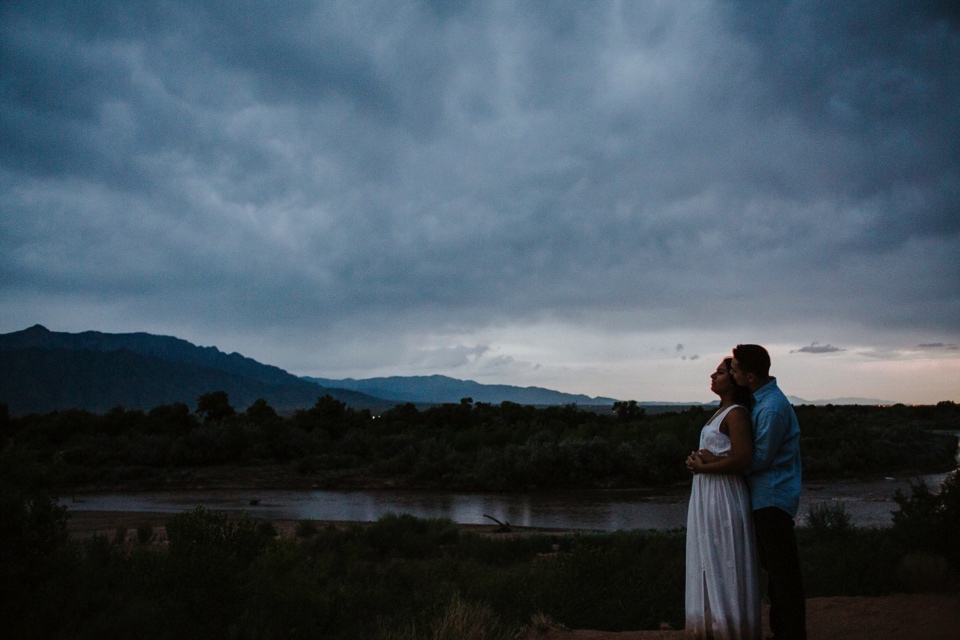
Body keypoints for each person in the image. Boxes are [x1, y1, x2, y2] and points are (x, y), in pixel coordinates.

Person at [730, 344, 807, 640]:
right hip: (766, 497)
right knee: (777, 570)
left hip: (772, 498)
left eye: (735, 369)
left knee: (783, 572)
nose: (733, 373)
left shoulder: (772, 408)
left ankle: (790, 634)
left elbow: (759, 457)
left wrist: (724, 465)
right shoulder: (762, 401)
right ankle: (784, 632)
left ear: (749, 376)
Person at [684, 358, 761, 640]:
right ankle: (714, 626)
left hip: (723, 495)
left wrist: (705, 466)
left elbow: (743, 459)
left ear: (733, 379)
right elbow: (718, 452)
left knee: (723, 557)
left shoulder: (737, 413)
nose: (712, 376)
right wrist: (697, 461)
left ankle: (731, 630)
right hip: (707, 493)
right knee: (709, 556)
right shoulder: (721, 411)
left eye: (720, 372)